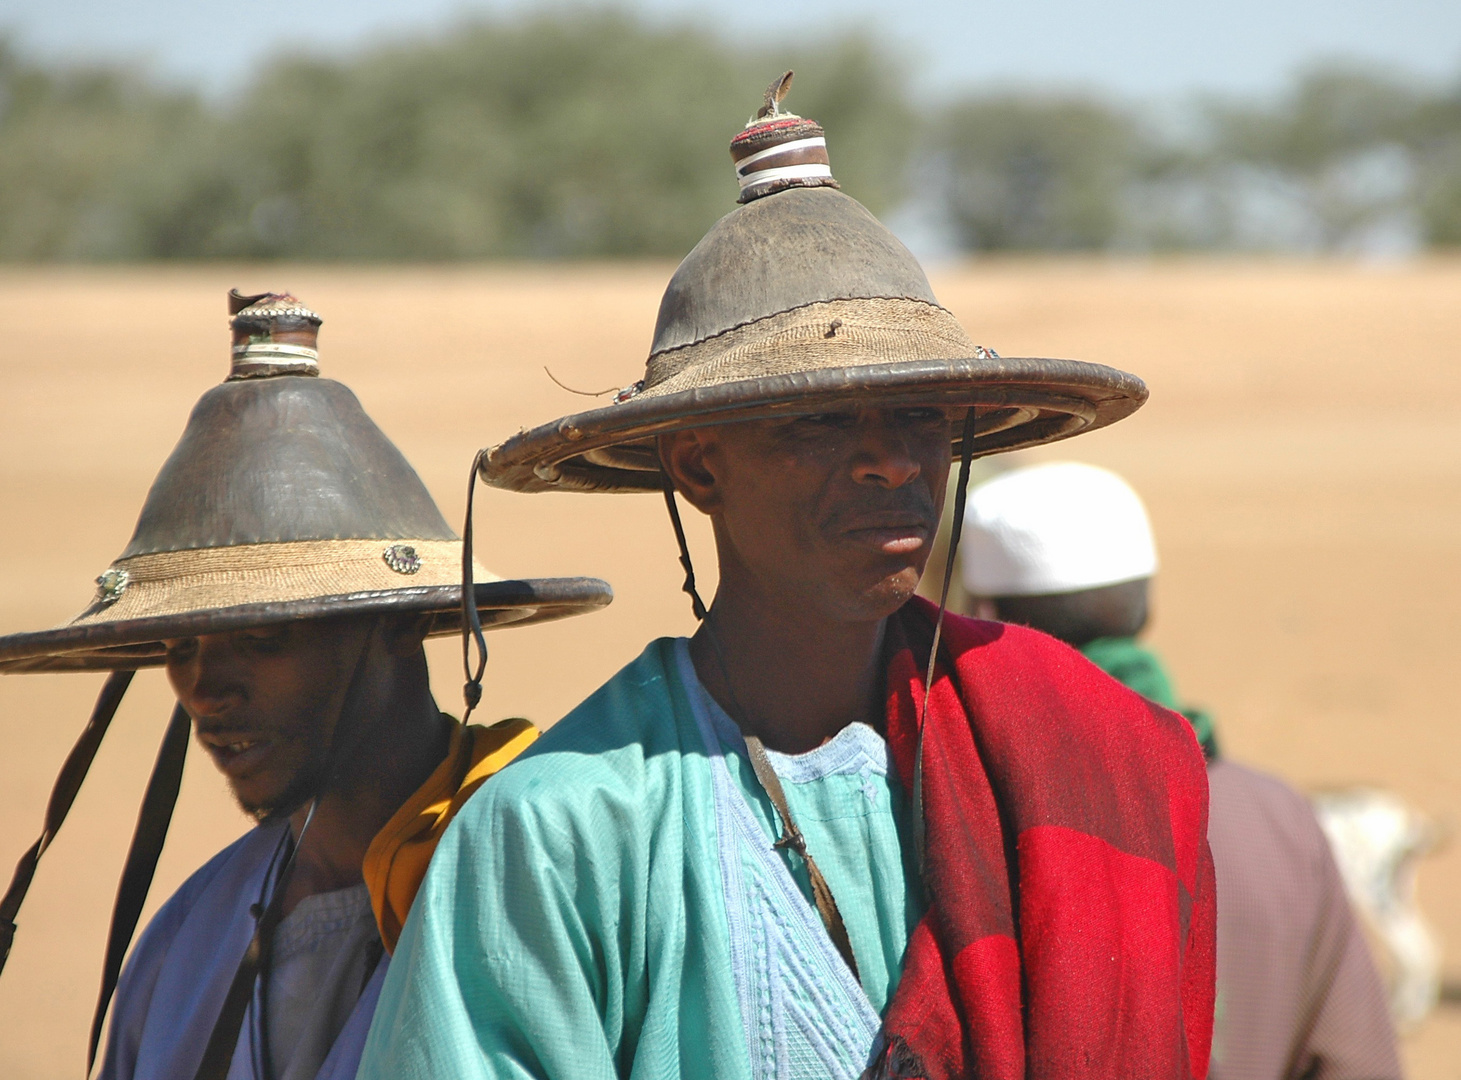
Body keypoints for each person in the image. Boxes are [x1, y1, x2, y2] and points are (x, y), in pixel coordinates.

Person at [360, 75, 1215, 1080]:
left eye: (919, 415)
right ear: (698, 466)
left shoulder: (1078, 763)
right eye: (818, 419)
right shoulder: (557, 834)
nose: (893, 462)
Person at [0, 291, 611, 1080]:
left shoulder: (556, 886)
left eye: (261, 638)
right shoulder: (184, 948)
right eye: (181, 644)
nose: (203, 690)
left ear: (398, 625)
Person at [960, 460, 1402, 1080]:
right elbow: (1359, 1061)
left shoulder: (968, 816)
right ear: (1147, 608)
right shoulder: (1279, 818)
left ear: (980, 611)